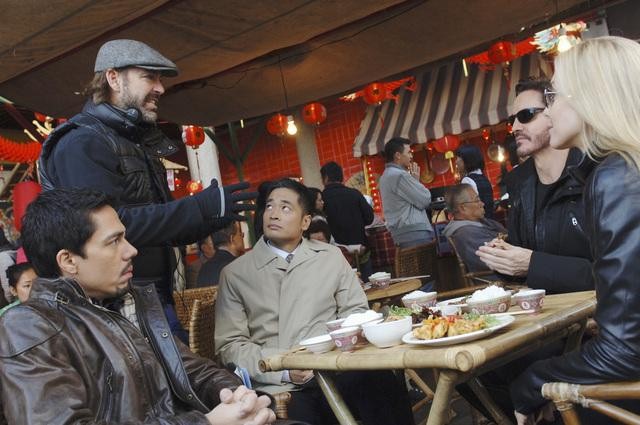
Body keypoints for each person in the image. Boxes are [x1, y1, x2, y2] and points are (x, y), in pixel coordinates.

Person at [38, 39, 256, 342]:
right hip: (115, 308)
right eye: (149, 77)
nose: (160, 88)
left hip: (150, 297)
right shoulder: (81, 143)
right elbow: (107, 229)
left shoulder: (133, 141)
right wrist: (198, 208)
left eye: (160, 79)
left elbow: (160, 229)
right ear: (113, 78)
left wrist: (210, 218)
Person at [0, 188, 276, 425]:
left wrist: (239, 397)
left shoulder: (129, 302)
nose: (131, 250)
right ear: (69, 261)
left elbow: (193, 371)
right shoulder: (29, 327)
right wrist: (206, 422)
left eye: (125, 237)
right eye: (114, 241)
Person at [511, 36, 640, 424]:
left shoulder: (617, 178)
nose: (549, 110)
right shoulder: (622, 169)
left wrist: (531, 386)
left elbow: (625, 351)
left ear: (590, 96)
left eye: (554, 96)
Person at [215, 178, 414, 425]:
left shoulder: (330, 257)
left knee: (384, 387)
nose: (274, 214)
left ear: (305, 222)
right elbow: (230, 346)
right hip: (281, 383)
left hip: (336, 366)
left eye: (285, 207)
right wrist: (285, 367)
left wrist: (339, 348)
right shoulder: (236, 274)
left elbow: (356, 311)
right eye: (269, 206)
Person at [476, 78, 593, 294]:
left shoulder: (593, 171)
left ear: (554, 113)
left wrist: (531, 263)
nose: (515, 128)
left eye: (526, 115)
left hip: (600, 309)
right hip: (547, 309)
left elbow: (617, 271)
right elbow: (525, 258)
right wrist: (503, 258)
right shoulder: (519, 183)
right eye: (512, 120)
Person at [320, 161, 374, 280]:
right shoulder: (354, 194)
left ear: (326, 178)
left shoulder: (322, 199)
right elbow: (370, 218)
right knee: (368, 284)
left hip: (337, 254)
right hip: (361, 250)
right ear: (341, 176)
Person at [378, 137, 434, 248]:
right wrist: (415, 181)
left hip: (402, 234)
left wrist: (414, 182)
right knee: (424, 260)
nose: (411, 156)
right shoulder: (399, 175)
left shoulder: (385, 176)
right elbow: (425, 199)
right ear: (398, 155)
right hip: (414, 233)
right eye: (408, 152)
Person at [442, 184, 506, 272]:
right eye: (477, 200)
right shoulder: (466, 233)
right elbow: (500, 260)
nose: (482, 204)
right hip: (501, 277)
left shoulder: (479, 222)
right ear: (463, 208)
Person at [197, 221, 244, 286]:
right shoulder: (239, 265)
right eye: (240, 234)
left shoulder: (203, 270)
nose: (242, 237)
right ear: (232, 239)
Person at [455, 144, 495, 219]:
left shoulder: (467, 180)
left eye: (457, 158)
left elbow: (469, 209)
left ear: (467, 160)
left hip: (479, 222)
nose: (456, 162)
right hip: (490, 221)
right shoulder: (483, 177)